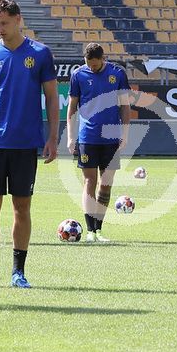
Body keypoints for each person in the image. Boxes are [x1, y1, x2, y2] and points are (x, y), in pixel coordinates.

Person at [0, 0, 59, 290]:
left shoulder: (40, 53)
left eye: (4, 23)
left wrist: (53, 136)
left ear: (19, 20)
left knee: (22, 207)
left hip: (25, 143)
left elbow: (51, 97)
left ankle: (18, 272)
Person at [68, 42, 133, 244]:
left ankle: (98, 229)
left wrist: (125, 133)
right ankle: (89, 230)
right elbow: (72, 108)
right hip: (88, 136)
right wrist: (70, 136)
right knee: (90, 182)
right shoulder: (78, 75)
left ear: (103, 59)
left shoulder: (118, 74)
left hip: (111, 136)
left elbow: (125, 106)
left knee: (106, 183)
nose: (92, 68)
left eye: (95, 65)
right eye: (89, 64)